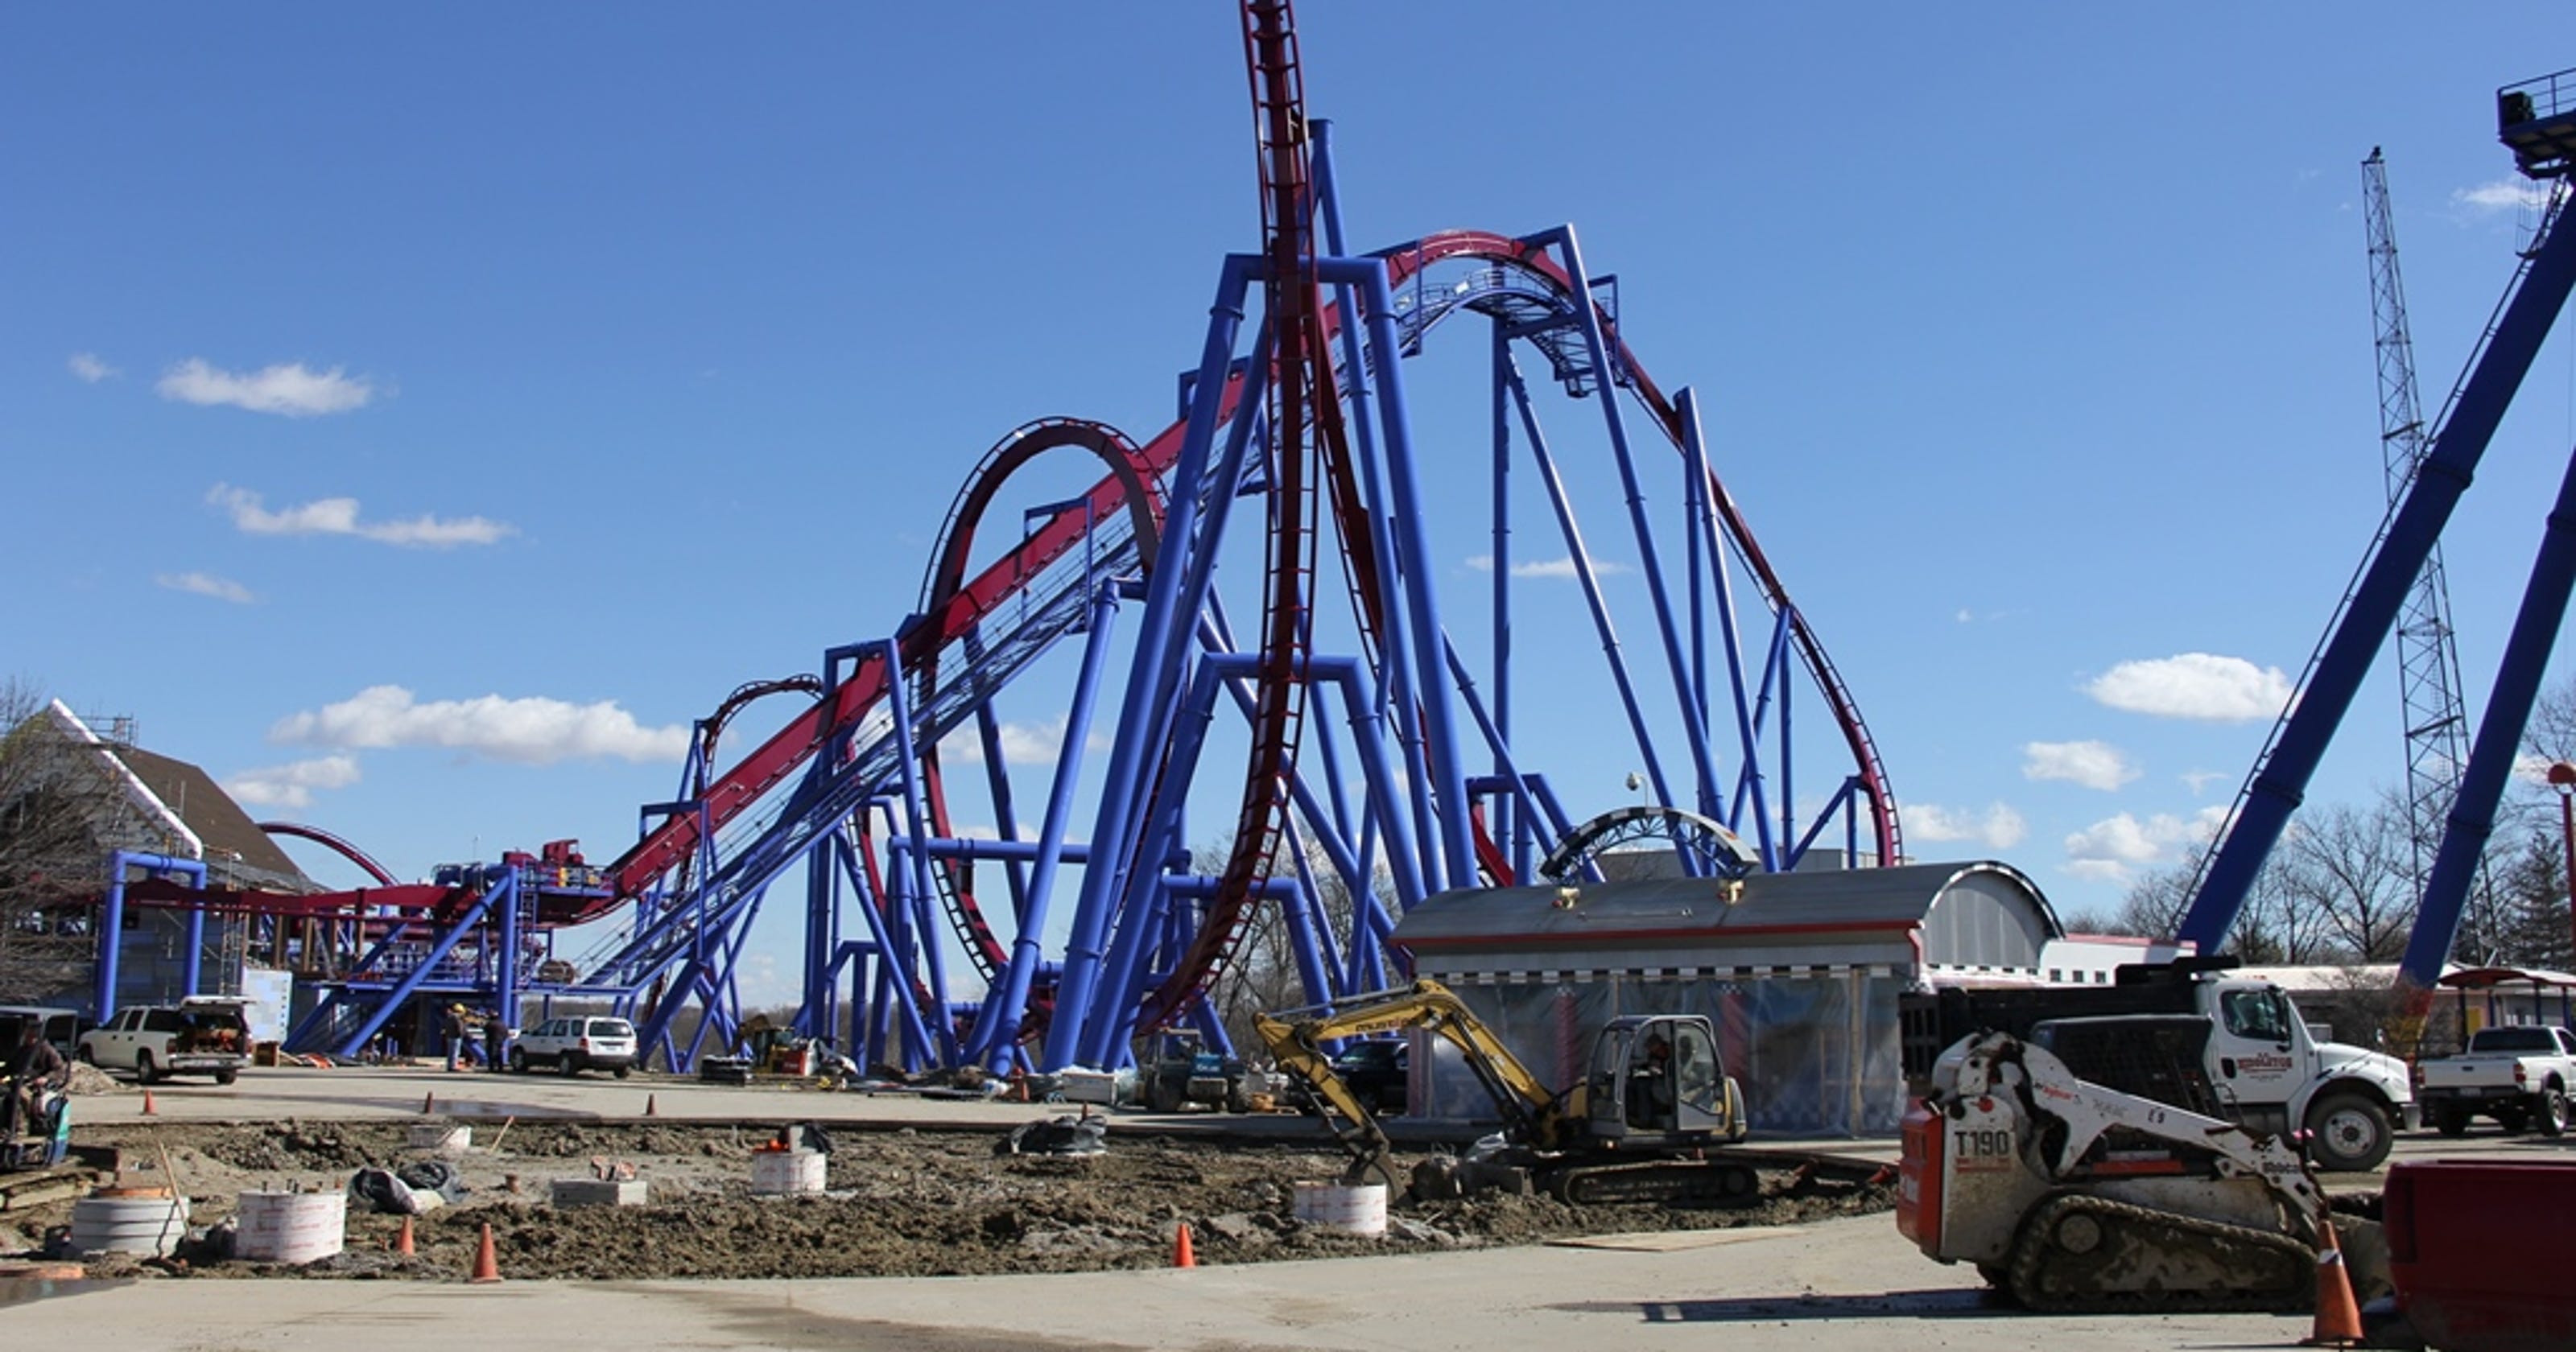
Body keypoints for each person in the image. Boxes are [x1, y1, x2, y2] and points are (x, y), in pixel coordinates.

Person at [4, 1023, 68, 1141]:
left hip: (36, 1085)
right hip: (18, 1082)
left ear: (37, 1037)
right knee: (8, 1094)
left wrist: (46, 1078)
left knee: (20, 1094)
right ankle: (5, 1125)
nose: (27, 1038)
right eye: (26, 1035)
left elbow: (59, 1069)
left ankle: (21, 1128)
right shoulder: (22, 1050)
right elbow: (9, 1067)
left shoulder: (47, 1050)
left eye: (30, 1036)